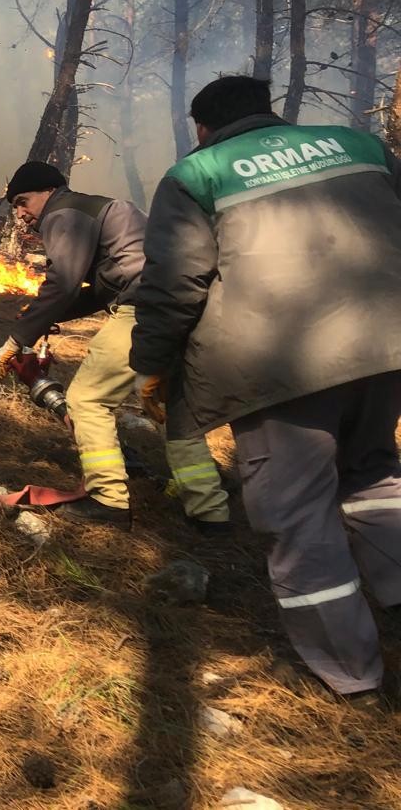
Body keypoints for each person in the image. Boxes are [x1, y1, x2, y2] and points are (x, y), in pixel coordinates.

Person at [130, 75, 401, 706]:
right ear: (268, 110)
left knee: (296, 512)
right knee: (373, 475)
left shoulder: (196, 174)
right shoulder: (360, 144)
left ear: (203, 127)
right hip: (387, 347)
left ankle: (350, 673)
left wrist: (150, 367)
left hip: (281, 366)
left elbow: (175, 285)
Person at [0, 161, 230, 531]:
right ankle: (210, 510)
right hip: (185, 307)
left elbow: (64, 281)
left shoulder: (63, 212)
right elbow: (107, 286)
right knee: (180, 407)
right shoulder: (101, 207)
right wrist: (56, 314)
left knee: (87, 399)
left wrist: (17, 338)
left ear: (49, 191)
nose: (20, 214)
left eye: (23, 201)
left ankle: (108, 501)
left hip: (145, 310)